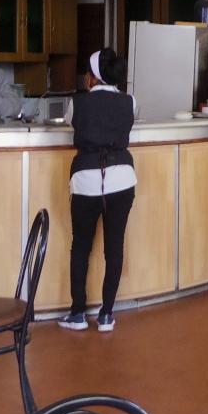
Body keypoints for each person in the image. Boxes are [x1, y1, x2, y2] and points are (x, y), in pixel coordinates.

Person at [57, 48, 137, 334]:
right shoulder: (130, 101)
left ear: (92, 77)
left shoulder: (77, 103)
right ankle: (106, 315)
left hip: (86, 180)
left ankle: (78, 313)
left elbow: (70, 124)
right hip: (122, 179)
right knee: (114, 247)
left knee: (81, 246)